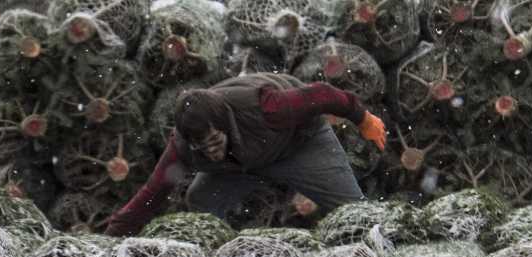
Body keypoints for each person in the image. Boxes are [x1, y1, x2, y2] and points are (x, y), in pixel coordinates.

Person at [104, 73, 386, 237]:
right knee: (199, 198)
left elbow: (323, 94)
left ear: (223, 124)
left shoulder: (268, 107)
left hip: (298, 146)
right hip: (241, 165)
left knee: (355, 213)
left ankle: (381, 241)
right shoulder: (182, 148)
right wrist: (113, 235)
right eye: (203, 148)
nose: (210, 152)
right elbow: (151, 193)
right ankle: (220, 252)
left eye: (214, 141)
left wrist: (363, 120)